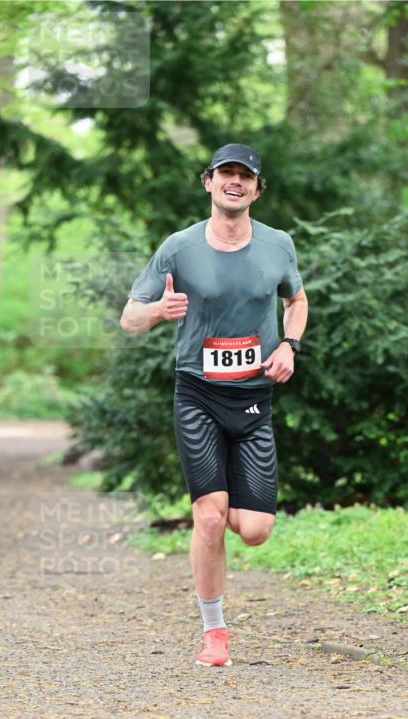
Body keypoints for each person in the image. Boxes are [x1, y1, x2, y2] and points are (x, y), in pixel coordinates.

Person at [119, 143, 308, 667]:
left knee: (254, 530)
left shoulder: (277, 244)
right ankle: (214, 632)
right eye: (225, 173)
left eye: (245, 176)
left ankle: (225, 506)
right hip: (198, 394)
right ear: (208, 182)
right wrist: (158, 310)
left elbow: (296, 300)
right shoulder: (178, 248)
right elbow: (129, 318)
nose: (235, 182)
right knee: (209, 518)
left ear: (256, 188)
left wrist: (289, 346)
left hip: (253, 399)